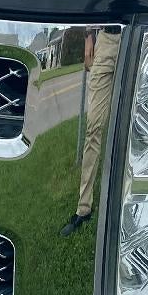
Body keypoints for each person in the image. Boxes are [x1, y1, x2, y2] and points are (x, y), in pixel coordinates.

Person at [63, 27, 119, 236]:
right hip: (106, 41)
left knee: (138, 124)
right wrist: (88, 38)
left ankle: (132, 203)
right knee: (94, 128)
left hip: (138, 39)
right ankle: (84, 208)